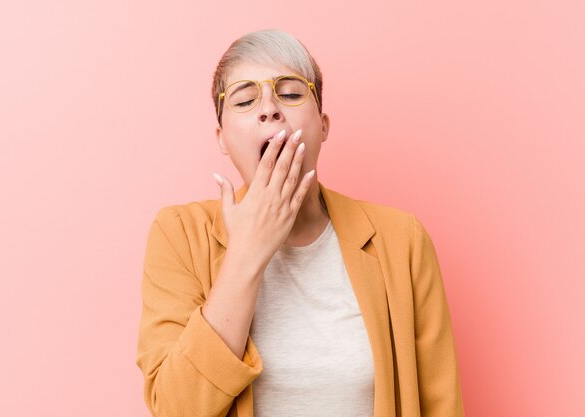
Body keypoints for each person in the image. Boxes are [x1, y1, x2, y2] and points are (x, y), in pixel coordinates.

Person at [135, 29, 465, 417]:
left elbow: (440, 405)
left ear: (323, 126)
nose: (270, 108)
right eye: (244, 99)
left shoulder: (401, 240)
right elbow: (175, 408)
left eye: (291, 94)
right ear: (222, 138)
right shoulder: (179, 235)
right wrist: (246, 254)